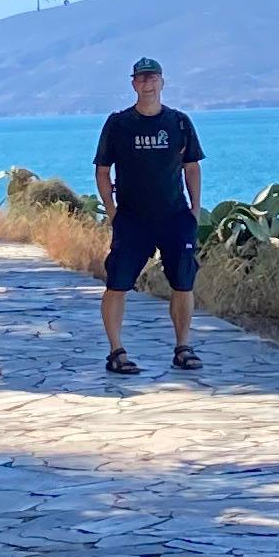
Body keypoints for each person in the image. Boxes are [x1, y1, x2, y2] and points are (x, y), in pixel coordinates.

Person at [95, 57, 206, 376]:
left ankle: (183, 347)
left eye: (153, 77)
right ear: (133, 84)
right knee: (118, 284)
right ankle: (116, 351)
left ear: (162, 82)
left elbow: (192, 167)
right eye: (141, 78)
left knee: (183, 283)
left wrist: (195, 210)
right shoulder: (118, 124)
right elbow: (103, 171)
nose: (147, 83)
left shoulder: (179, 122)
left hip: (174, 217)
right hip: (132, 219)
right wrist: (112, 212)